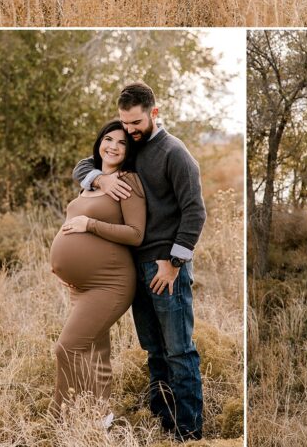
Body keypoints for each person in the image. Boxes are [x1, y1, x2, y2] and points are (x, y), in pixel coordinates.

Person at [73, 82, 207, 441]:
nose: (128, 130)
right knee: (153, 350)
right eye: (123, 122)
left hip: (165, 266)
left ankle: (189, 432)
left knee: (179, 350)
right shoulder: (130, 146)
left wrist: (174, 263)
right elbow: (85, 162)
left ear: (154, 113)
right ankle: (163, 422)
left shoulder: (174, 153)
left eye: (135, 122)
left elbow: (195, 211)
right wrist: (99, 177)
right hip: (136, 266)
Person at [50, 121, 145, 428]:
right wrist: (63, 266)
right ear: (99, 142)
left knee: (67, 347)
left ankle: (61, 418)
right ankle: (100, 420)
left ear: (129, 151)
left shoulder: (128, 181)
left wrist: (89, 226)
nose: (114, 146)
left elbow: (135, 234)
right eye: (108, 139)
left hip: (111, 282)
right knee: (95, 354)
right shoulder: (92, 181)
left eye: (122, 143)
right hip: (81, 284)